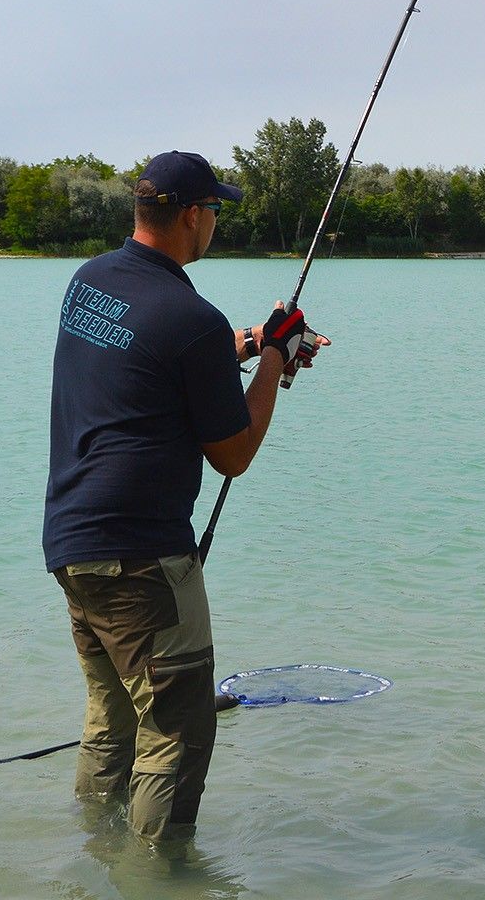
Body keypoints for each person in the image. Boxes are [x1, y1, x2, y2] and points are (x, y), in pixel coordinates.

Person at [42, 149, 326, 842]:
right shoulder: (192, 317)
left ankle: (94, 857)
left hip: (73, 549)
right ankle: (157, 878)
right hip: (144, 566)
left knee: (110, 718)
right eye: (216, 211)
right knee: (177, 733)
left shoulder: (92, 284)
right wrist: (276, 363)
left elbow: (153, 355)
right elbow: (233, 455)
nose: (216, 223)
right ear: (193, 217)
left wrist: (256, 339)